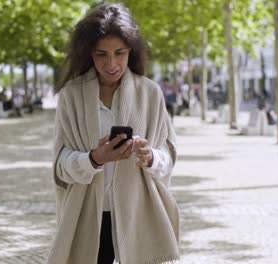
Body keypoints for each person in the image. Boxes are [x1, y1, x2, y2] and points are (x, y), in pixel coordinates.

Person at [47, 3, 180, 264]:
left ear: (131, 50)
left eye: (120, 53)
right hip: (87, 218)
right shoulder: (71, 95)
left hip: (139, 216)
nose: (111, 63)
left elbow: (169, 158)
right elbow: (61, 168)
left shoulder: (150, 93)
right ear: (89, 54)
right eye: (101, 54)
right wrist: (95, 158)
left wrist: (149, 156)